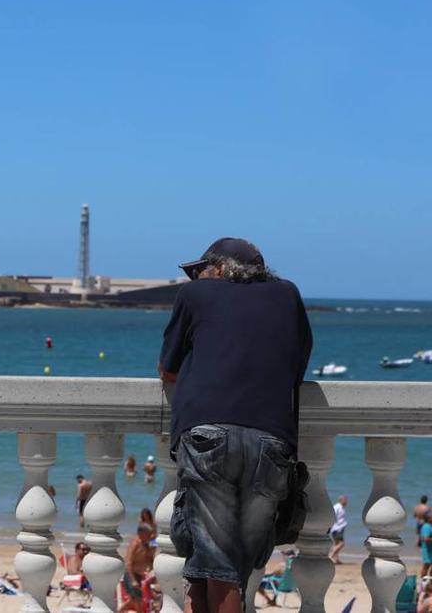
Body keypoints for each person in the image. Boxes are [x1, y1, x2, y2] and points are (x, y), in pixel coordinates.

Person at [159, 237, 312, 613]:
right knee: (224, 563)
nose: (196, 278)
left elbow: (168, 367)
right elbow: (298, 364)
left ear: (222, 270)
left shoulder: (196, 296)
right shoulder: (288, 295)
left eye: (201, 270)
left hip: (208, 434)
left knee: (217, 564)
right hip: (272, 441)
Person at [120, 523, 156, 612]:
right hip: (131, 575)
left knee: (138, 599)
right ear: (141, 533)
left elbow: (150, 558)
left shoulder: (147, 544)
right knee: (137, 599)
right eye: (148, 534)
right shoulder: (135, 543)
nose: (150, 536)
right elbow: (128, 562)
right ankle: (119, 611)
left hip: (139, 576)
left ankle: (119, 610)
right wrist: (133, 580)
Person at [328, 495, 348, 564]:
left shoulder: (341, 508)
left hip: (339, 528)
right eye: (345, 500)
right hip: (336, 528)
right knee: (341, 544)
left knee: (336, 543)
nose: (346, 502)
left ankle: (336, 559)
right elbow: (332, 516)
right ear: (341, 500)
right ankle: (330, 556)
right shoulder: (337, 507)